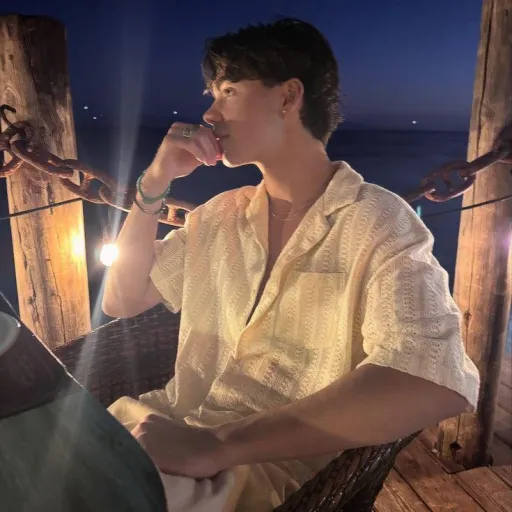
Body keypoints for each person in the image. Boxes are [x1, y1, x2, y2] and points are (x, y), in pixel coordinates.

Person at [103, 17, 480, 512]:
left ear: (287, 97)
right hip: (156, 427)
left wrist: (216, 445)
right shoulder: (219, 216)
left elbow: (432, 379)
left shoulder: (378, 222)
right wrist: (153, 184)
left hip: (256, 472)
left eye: (228, 91)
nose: (210, 114)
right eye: (212, 94)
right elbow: (122, 299)